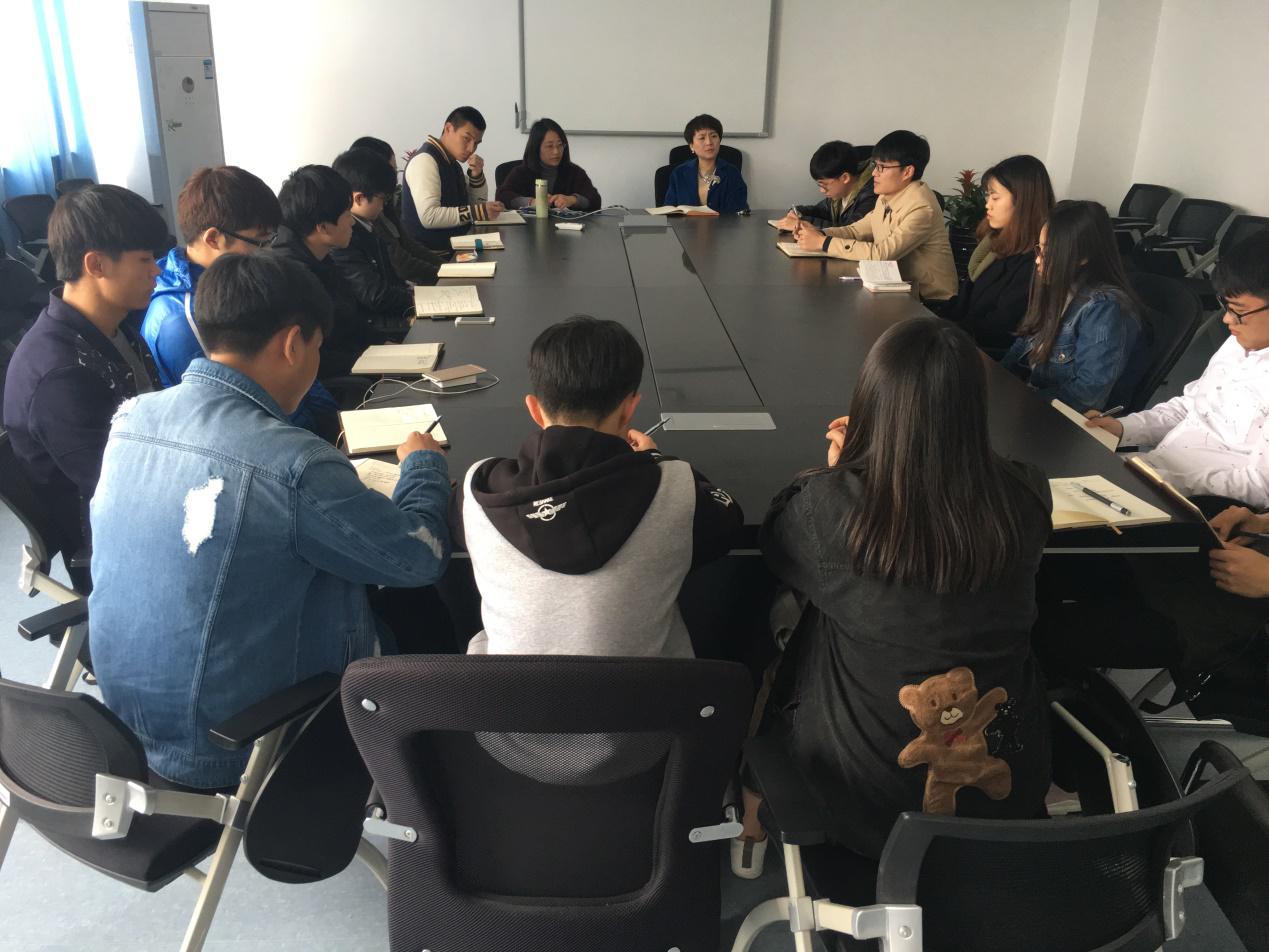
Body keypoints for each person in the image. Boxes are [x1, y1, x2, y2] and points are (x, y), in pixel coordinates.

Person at [89, 252, 451, 789]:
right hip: (241, 744)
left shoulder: (131, 418)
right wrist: (423, 466)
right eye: (317, 346)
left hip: (124, 727)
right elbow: (421, 558)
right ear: (291, 344)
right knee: (428, 609)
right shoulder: (294, 463)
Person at [736, 317, 1052, 874]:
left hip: (865, 808)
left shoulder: (829, 509)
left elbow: (777, 549)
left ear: (872, 401)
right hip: (1008, 796)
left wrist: (844, 473)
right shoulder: (1026, 493)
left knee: (799, 619)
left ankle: (750, 814)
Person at [448, 315, 744, 657]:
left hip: (513, 691)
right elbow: (728, 524)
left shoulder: (478, 492)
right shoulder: (677, 490)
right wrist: (653, 459)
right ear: (629, 409)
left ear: (534, 409)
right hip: (648, 691)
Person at [3, 185, 166, 585]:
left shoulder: (113, 326)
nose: (157, 270)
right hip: (117, 551)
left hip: (151, 497)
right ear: (96, 264)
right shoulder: (59, 374)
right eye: (145, 259)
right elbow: (121, 490)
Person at [140, 166, 339, 440]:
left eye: (270, 240)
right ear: (213, 238)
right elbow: (238, 415)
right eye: (260, 242)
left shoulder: (244, 280)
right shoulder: (181, 320)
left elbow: (298, 364)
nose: (268, 252)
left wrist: (335, 423)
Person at [1085, 231, 1269, 508]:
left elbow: (1260, 486)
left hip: (1197, 503)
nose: (1227, 320)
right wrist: (1122, 428)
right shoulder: (1238, 342)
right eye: (1226, 307)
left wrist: (1168, 482)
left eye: (1238, 311)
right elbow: (1190, 407)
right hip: (1153, 472)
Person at [1001, 200, 1142, 412]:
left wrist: (1018, 402)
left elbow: (1086, 396)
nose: (1038, 260)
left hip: (1061, 420)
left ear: (1082, 257)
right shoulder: (1059, 287)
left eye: (1047, 252)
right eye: (1039, 249)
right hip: (1031, 401)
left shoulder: (1104, 308)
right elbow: (1021, 347)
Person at [794, 130, 957, 304]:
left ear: (907, 172)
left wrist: (823, 243)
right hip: (897, 289)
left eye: (881, 167)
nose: (873, 174)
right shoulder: (887, 196)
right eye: (875, 165)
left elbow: (882, 254)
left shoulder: (922, 208)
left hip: (929, 302)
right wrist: (819, 233)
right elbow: (855, 230)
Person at [946, 154, 1054, 356]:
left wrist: (944, 331)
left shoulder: (1035, 261)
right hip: (962, 342)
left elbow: (998, 330)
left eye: (995, 197)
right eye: (988, 196)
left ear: (1023, 202)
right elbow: (964, 304)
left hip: (986, 357)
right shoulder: (994, 245)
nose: (988, 204)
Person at [271, 164, 364, 378]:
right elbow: (315, 358)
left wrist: (383, 344)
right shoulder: (290, 278)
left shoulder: (320, 257)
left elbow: (350, 322)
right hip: (339, 381)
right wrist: (370, 361)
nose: (352, 222)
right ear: (323, 227)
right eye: (346, 214)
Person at [330, 148, 415, 330]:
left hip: (395, 315)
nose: (384, 205)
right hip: (380, 327)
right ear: (359, 198)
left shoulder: (368, 225)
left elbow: (391, 280)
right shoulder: (343, 238)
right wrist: (417, 300)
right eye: (382, 199)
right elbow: (375, 295)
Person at [401, 106, 505, 250]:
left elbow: (473, 206)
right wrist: (478, 211)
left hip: (455, 248)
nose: (471, 149)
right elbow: (429, 217)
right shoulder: (425, 160)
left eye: (476, 143)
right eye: (466, 139)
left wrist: (477, 176)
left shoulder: (451, 162)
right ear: (448, 128)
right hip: (433, 255)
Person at [348, 135, 444, 285]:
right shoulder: (366, 217)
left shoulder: (383, 205)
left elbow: (409, 245)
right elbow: (401, 264)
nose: (394, 177)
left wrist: (449, 268)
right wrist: (445, 273)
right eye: (391, 170)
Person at [495, 117, 602, 212]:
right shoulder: (521, 172)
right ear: (536, 148)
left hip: (565, 227)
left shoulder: (574, 172)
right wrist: (531, 202)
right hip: (529, 227)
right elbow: (502, 197)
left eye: (560, 145)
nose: (556, 151)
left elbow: (595, 200)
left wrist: (573, 200)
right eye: (550, 146)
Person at [772, 140, 876, 231]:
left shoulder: (871, 195)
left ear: (845, 178)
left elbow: (848, 230)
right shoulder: (841, 192)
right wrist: (797, 213)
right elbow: (821, 210)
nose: (822, 190)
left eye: (824, 185)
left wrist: (802, 222)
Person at [662, 114, 748, 213]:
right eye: (702, 138)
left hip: (723, 224)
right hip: (686, 224)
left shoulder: (732, 173)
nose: (709, 142)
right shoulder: (679, 173)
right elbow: (669, 210)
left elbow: (739, 212)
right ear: (691, 145)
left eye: (714, 136)